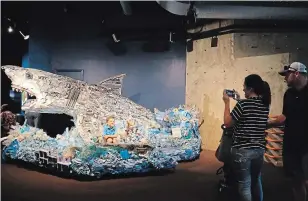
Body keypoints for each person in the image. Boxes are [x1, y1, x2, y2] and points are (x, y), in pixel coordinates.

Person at [222, 74, 271, 201]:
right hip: (259, 150)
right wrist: (239, 100)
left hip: (242, 151)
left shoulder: (243, 105)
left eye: (244, 86)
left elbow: (227, 123)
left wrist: (227, 102)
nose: (243, 89)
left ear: (250, 88)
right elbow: (250, 114)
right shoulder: (265, 105)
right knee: (256, 180)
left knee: (244, 185)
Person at [268, 62, 308, 201]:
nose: (285, 78)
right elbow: (284, 116)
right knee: (295, 180)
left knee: (304, 179)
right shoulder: (288, 94)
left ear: (296, 73)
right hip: (291, 145)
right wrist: (267, 123)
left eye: (287, 75)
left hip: (306, 147)